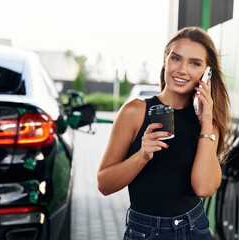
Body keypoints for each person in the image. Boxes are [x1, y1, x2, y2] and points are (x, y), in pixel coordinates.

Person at [97, 26, 231, 240]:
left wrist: (206, 123)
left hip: (194, 229)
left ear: (207, 73)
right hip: (143, 231)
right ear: (165, 60)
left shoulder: (207, 124)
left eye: (195, 63)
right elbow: (104, 184)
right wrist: (142, 155)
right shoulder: (135, 112)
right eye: (176, 58)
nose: (182, 70)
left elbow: (204, 188)